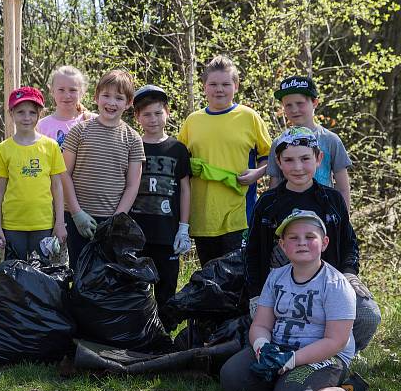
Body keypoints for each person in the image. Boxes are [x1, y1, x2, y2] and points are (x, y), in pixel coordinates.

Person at [245, 127, 380, 352]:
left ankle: (342, 353)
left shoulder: (333, 200)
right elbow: (252, 252)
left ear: (319, 159)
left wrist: (349, 273)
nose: (297, 167)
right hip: (282, 291)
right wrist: (256, 294)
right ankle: (288, 354)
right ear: (278, 162)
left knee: (369, 315)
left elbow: (349, 243)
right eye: (289, 160)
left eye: (305, 158)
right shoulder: (267, 204)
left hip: (329, 287)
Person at [221, 209, 368, 391]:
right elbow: (261, 325)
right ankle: (280, 379)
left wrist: (292, 360)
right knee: (231, 379)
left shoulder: (336, 284)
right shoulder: (275, 277)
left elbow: (336, 341)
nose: (301, 242)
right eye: (293, 237)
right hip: (280, 348)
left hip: (325, 355)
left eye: (310, 237)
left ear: (324, 243)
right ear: (282, 245)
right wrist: (263, 347)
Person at [177, 55, 272, 265]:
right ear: (204, 87)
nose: (219, 89)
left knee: (236, 280)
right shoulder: (192, 121)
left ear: (236, 86)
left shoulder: (249, 117)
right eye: (213, 84)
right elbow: (180, 164)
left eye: (225, 84)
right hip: (202, 216)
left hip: (239, 215)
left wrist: (257, 172)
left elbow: (270, 157)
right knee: (210, 280)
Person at [62, 69, 145, 269]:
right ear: (96, 97)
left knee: (105, 277)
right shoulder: (79, 131)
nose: (111, 102)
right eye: (106, 95)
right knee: (78, 271)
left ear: (128, 103)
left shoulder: (133, 139)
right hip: (77, 217)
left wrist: (116, 221)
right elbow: (63, 173)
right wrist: (76, 213)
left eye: (119, 98)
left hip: (111, 219)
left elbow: (132, 185)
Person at [130, 85, 191, 310]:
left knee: (166, 290)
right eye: (146, 114)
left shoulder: (177, 149)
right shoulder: (132, 145)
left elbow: (185, 189)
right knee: (137, 290)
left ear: (167, 112)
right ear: (137, 117)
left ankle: (165, 337)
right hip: (137, 233)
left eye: (158, 113)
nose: (153, 119)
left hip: (167, 233)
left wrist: (184, 228)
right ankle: (139, 336)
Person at [0, 87, 67, 261]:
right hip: (12, 224)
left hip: (43, 223)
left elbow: (57, 187)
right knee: (13, 276)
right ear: (11, 113)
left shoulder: (51, 146)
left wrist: (59, 222)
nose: (26, 118)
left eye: (32, 113)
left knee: (40, 276)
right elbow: (0, 190)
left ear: (39, 114)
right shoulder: (4, 148)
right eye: (20, 112)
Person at [267, 75, 352, 210]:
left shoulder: (331, 140)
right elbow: (274, 186)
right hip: (288, 217)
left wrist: (343, 223)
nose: (294, 110)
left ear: (315, 103)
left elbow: (343, 188)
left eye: (300, 103)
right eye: (288, 105)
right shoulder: (279, 143)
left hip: (324, 215)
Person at [36, 65, 95, 148]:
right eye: (61, 90)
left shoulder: (93, 121)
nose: (67, 95)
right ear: (52, 91)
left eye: (73, 90)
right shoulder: (41, 127)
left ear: (82, 92)